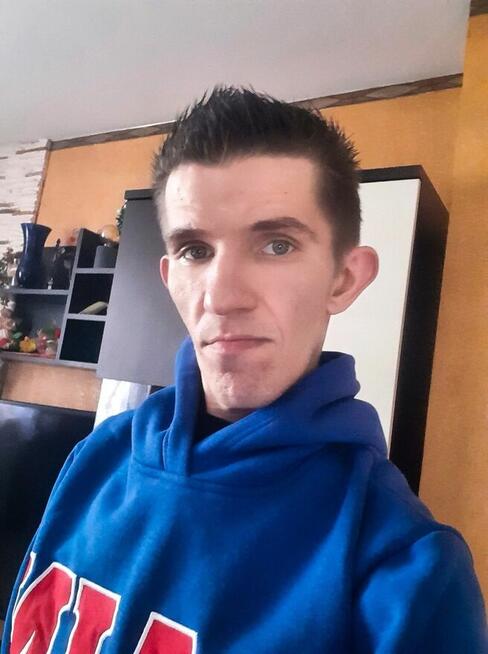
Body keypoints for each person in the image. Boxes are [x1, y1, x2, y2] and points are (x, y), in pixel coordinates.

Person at [2, 86, 486, 653]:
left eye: (277, 245)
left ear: (344, 279)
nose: (223, 296)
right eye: (195, 250)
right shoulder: (98, 455)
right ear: (169, 279)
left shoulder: (405, 570)